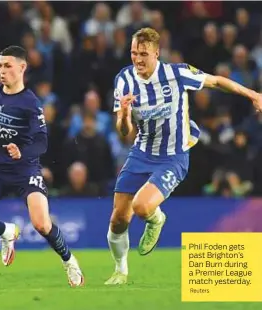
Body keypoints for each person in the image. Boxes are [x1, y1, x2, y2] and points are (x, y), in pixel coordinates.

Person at [105, 27, 262, 285]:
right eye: (134, 53)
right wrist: (123, 115)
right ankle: (120, 271)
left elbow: (217, 82)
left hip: (173, 155)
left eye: (143, 54)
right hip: (141, 152)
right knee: (118, 219)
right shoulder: (124, 80)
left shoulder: (176, 74)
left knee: (142, 206)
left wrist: (253, 95)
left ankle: (156, 218)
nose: (138, 59)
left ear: (157, 53)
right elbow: (124, 132)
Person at [0, 45, 84, 287]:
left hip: (25, 171)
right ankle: (6, 231)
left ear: (22, 67)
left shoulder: (30, 103)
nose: (2, 71)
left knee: (41, 224)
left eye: (7, 66)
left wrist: (22, 151)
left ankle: (69, 261)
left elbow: (42, 142)